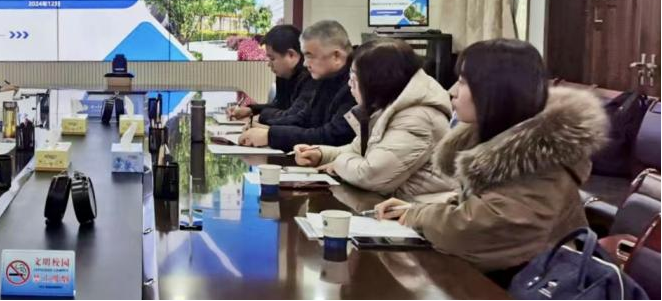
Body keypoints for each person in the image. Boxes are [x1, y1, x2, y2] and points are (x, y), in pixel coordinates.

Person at [374, 39, 608, 285]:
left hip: (537, 287)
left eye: (463, 82)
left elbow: (472, 231)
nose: (452, 91)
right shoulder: (503, 141)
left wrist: (418, 215)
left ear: (495, 90)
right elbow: (480, 206)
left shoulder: (540, 161)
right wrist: (414, 212)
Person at [293, 38, 453, 199]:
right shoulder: (390, 104)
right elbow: (358, 150)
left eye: (354, 77)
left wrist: (338, 164)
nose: (349, 84)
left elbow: (369, 175)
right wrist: (320, 154)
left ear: (377, 80)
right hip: (390, 203)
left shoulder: (417, 118)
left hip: (420, 208)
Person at [239, 20, 355, 151]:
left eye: (310, 56)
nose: (305, 63)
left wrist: (269, 135)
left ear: (336, 56)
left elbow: (332, 137)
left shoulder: (356, 83)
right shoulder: (327, 76)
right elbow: (304, 118)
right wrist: (266, 129)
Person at [228, 24, 309, 122]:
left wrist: (258, 118)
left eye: (272, 58)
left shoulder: (309, 78)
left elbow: (294, 117)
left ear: (291, 55)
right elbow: (280, 105)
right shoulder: (284, 74)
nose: (269, 64)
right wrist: (250, 110)